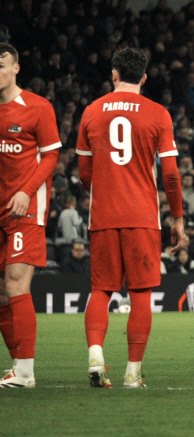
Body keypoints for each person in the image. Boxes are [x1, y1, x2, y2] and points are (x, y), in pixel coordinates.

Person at [77, 47, 187, 388]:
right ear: (143, 77)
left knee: (101, 290)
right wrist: (178, 217)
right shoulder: (157, 113)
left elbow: (84, 172)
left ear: (113, 75)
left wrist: (105, 190)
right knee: (140, 294)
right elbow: (170, 174)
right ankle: (132, 373)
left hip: (104, 215)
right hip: (142, 216)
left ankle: (96, 354)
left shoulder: (92, 112)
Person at [0, 43, 61, 388]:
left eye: (2, 65)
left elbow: (51, 156)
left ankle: (25, 372)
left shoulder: (38, 107)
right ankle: (16, 366)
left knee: (15, 284)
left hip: (26, 209)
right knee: (0, 293)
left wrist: (25, 191)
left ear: (16, 69)